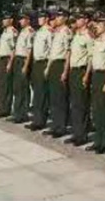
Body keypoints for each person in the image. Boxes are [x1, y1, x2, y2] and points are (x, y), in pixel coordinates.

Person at [85, 12, 105, 153]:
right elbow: (92, 59)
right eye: (96, 23)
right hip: (96, 75)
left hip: (104, 75)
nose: (97, 26)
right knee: (96, 109)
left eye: (100, 24)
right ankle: (98, 140)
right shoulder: (97, 40)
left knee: (104, 110)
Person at [66, 12, 94, 146]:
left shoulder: (88, 36)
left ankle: (82, 135)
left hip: (82, 70)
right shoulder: (76, 35)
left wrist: (87, 75)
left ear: (86, 20)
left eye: (79, 18)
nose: (77, 20)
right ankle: (76, 132)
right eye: (76, 18)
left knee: (82, 104)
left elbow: (91, 57)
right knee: (75, 103)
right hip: (73, 70)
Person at [44, 8, 72, 138]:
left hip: (61, 64)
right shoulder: (56, 31)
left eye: (60, 16)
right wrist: (48, 68)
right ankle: (55, 125)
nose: (57, 19)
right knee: (53, 97)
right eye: (56, 16)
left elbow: (68, 53)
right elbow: (52, 53)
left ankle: (60, 127)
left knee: (60, 98)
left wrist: (65, 71)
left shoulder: (66, 32)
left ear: (65, 18)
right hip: (54, 64)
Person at [27, 10, 53, 131]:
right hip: (36, 63)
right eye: (38, 17)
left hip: (43, 63)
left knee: (41, 93)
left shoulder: (48, 32)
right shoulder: (39, 31)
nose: (39, 19)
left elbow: (51, 50)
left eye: (41, 17)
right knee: (37, 93)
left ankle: (40, 121)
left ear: (47, 18)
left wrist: (48, 67)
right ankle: (36, 119)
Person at [9, 11, 35, 123]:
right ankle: (17, 112)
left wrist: (25, 65)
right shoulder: (22, 31)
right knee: (17, 87)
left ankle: (22, 114)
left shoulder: (29, 32)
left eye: (23, 19)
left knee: (23, 88)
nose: (20, 21)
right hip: (18, 59)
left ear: (28, 20)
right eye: (20, 19)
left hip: (24, 60)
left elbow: (29, 51)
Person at [0, 12, 17, 118]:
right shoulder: (4, 31)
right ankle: (1, 107)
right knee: (2, 84)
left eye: (6, 19)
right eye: (3, 19)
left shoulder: (13, 32)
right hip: (2, 59)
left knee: (7, 85)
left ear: (11, 20)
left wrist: (10, 63)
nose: (3, 21)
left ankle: (5, 109)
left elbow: (14, 49)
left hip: (7, 59)